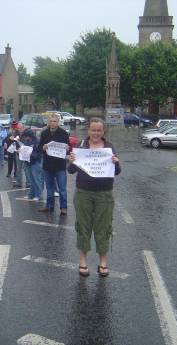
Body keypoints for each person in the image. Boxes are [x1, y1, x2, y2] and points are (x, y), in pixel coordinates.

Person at [67, 118, 121, 278]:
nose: (96, 133)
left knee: (103, 227)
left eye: (99, 130)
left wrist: (116, 163)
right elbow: (71, 171)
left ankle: (102, 262)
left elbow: (116, 171)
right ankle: (82, 261)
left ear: (103, 132)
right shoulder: (81, 146)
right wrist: (71, 162)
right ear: (88, 130)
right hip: (84, 192)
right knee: (83, 226)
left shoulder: (109, 147)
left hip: (105, 193)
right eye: (93, 130)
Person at [38, 114, 70, 215]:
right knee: (49, 188)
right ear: (48, 122)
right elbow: (39, 148)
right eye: (50, 121)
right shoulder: (44, 133)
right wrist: (42, 148)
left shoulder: (64, 133)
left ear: (58, 122)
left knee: (62, 188)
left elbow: (68, 148)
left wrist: (68, 149)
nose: (52, 123)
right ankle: (49, 206)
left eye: (54, 121)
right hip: (47, 165)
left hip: (60, 165)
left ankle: (63, 207)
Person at [20, 127, 42, 200]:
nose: (26, 138)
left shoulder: (37, 142)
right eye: (25, 136)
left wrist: (32, 155)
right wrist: (20, 152)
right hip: (28, 162)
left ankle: (38, 195)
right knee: (31, 180)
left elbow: (39, 154)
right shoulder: (27, 141)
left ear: (30, 135)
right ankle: (31, 194)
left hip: (35, 162)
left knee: (36, 179)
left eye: (27, 136)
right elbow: (25, 150)